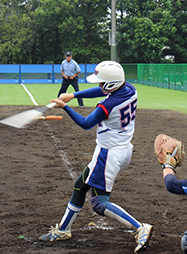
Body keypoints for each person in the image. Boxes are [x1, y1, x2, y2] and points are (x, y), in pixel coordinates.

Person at [39, 60, 153, 252]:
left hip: (108, 155)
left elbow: (86, 123)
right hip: (121, 149)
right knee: (80, 186)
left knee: (99, 203)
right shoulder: (129, 89)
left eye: (102, 82)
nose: (99, 86)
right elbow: (103, 91)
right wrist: (73, 95)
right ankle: (64, 229)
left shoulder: (108, 105)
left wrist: (65, 107)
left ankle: (140, 228)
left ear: (111, 84)